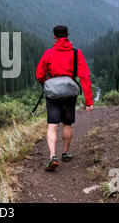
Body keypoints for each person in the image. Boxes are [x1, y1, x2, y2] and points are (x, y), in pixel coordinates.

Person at [36, 25, 94, 171]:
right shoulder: (76, 53)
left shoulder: (48, 53)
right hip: (69, 92)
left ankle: (52, 156)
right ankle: (66, 153)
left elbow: (39, 75)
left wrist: (47, 85)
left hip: (53, 93)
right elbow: (84, 76)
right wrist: (89, 101)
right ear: (67, 35)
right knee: (67, 124)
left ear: (54, 36)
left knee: (52, 125)